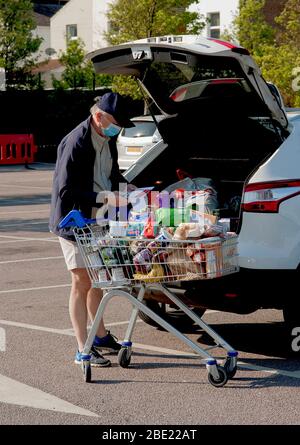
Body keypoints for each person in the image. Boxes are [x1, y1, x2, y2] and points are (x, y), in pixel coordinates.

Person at [49, 92, 137, 367]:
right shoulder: (76, 142)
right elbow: (67, 190)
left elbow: (111, 174)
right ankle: (82, 347)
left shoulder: (106, 139)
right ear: (98, 116)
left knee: (98, 279)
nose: (118, 129)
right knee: (81, 281)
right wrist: (107, 198)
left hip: (97, 220)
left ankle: (99, 336)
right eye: (114, 123)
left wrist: (127, 187)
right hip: (73, 222)